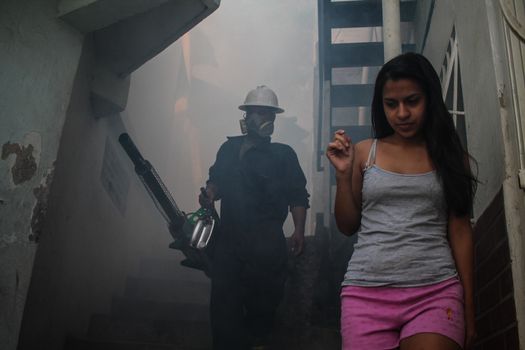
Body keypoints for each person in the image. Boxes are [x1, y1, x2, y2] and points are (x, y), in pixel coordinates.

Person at [326, 53, 477, 350]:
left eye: (412, 100)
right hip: (365, 294)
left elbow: (460, 232)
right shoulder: (364, 152)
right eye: (391, 104)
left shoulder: (451, 159)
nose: (402, 113)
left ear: (430, 99)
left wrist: (470, 309)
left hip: (435, 292)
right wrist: (343, 177)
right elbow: (346, 226)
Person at [200, 85, 310, 350]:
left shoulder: (283, 155)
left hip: (267, 242)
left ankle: (257, 341)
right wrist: (210, 194)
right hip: (229, 240)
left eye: (263, 113)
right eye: (252, 112)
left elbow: (297, 195)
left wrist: (298, 230)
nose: (256, 118)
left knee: (263, 304)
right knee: (224, 308)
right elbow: (217, 180)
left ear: (272, 119)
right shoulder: (229, 148)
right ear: (245, 114)